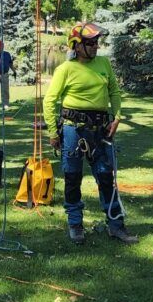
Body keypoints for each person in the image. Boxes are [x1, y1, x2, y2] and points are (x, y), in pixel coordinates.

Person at [43, 22, 136, 245]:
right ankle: (75, 224)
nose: (95, 47)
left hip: (100, 130)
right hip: (73, 130)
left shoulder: (103, 63)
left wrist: (117, 117)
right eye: (90, 43)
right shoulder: (65, 69)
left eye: (96, 42)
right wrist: (53, 133)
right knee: (73, 178)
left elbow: (113, 90)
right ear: (76, 45)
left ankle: (116, 225)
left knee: (106, 176)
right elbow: (49, 101)